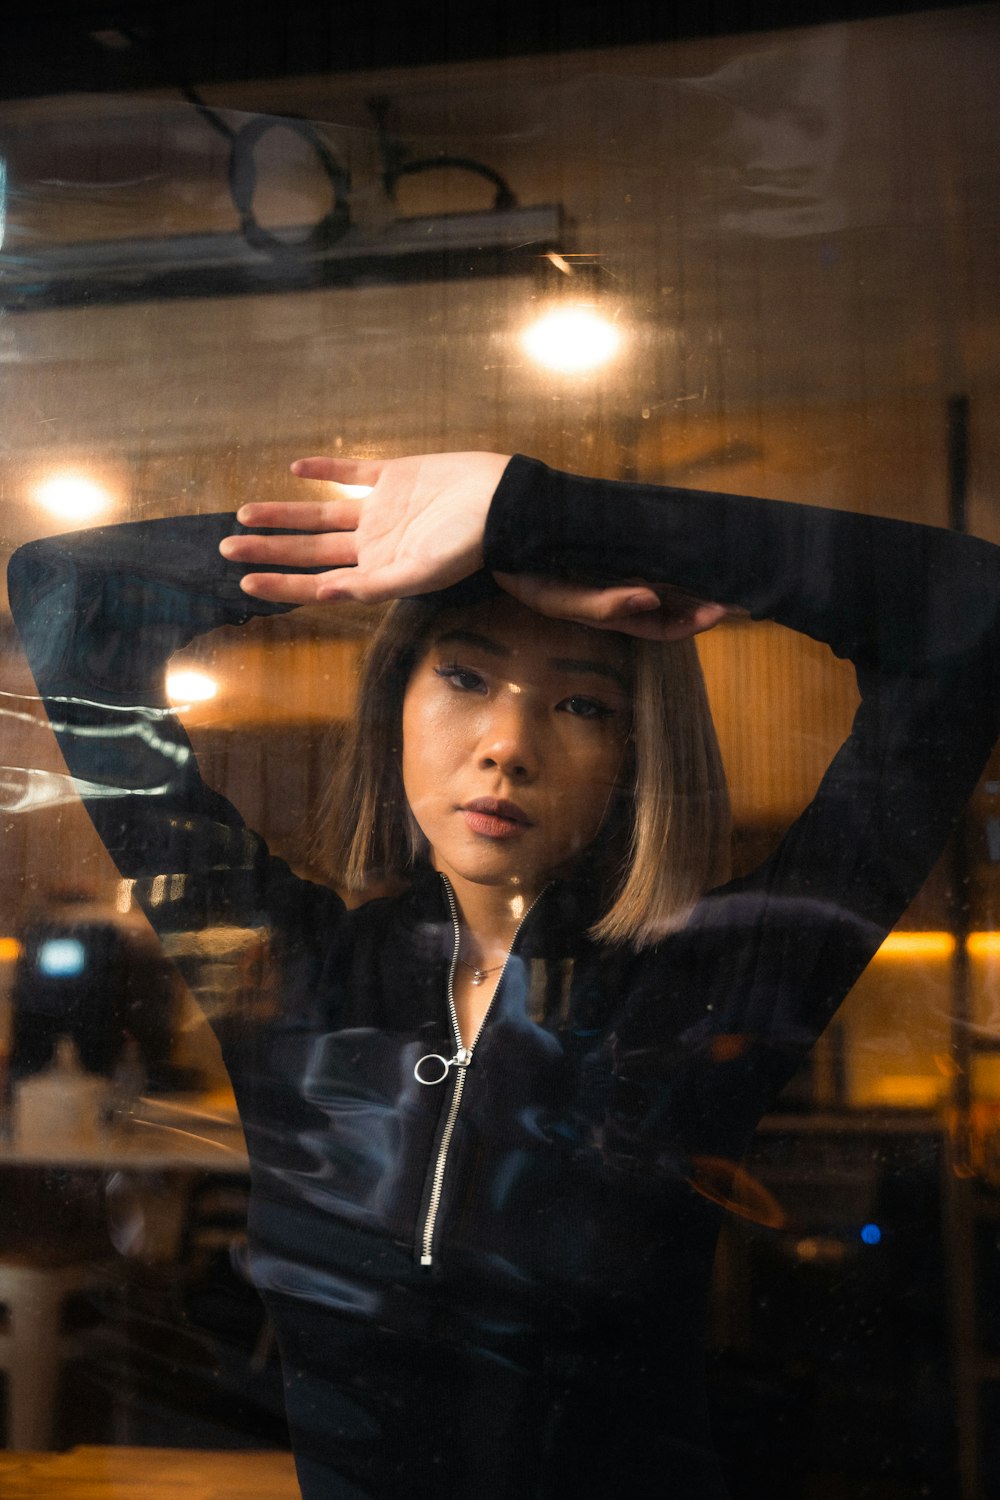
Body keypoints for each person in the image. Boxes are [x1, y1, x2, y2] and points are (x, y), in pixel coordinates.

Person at [8, 451, 1000, 1498]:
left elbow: (967, 617)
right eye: (465, 678)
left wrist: (533, 516)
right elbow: (71, 594)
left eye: (581, 706)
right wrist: (404, 553)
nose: (507, 747)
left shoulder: (718, 977)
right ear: (395, 698)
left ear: (634, 751)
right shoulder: (293, 975)